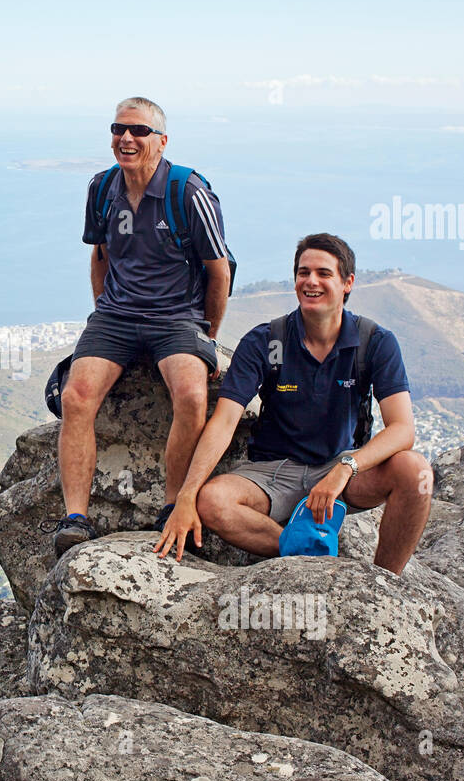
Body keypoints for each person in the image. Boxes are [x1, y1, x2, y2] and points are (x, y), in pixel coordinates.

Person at [154, 232, 431, 574]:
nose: (310, 281)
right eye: (303, 272)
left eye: (323, 273)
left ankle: (385, 581)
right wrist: (186, 495)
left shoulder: (373, 342)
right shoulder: (265, 340)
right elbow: (224, 422)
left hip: (342, 468)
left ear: (347, 283)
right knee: (212, 501)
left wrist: (345, 468)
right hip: (275, 473)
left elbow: (403, 429)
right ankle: (306, 548)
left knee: (416, 471)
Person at [49, 96, 232, 558]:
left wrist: (208, 333)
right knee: (76, 395)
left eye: (139, 131)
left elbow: (218, 269)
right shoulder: (102, 187)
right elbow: (100, 254)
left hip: (177, 318)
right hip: (117, 316)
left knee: (191, 397)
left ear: (161, 140)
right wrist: (102, 313)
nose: (126, 138)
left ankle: (172, 506)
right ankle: (75, 519)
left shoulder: (186, 191)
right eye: (118, 129)